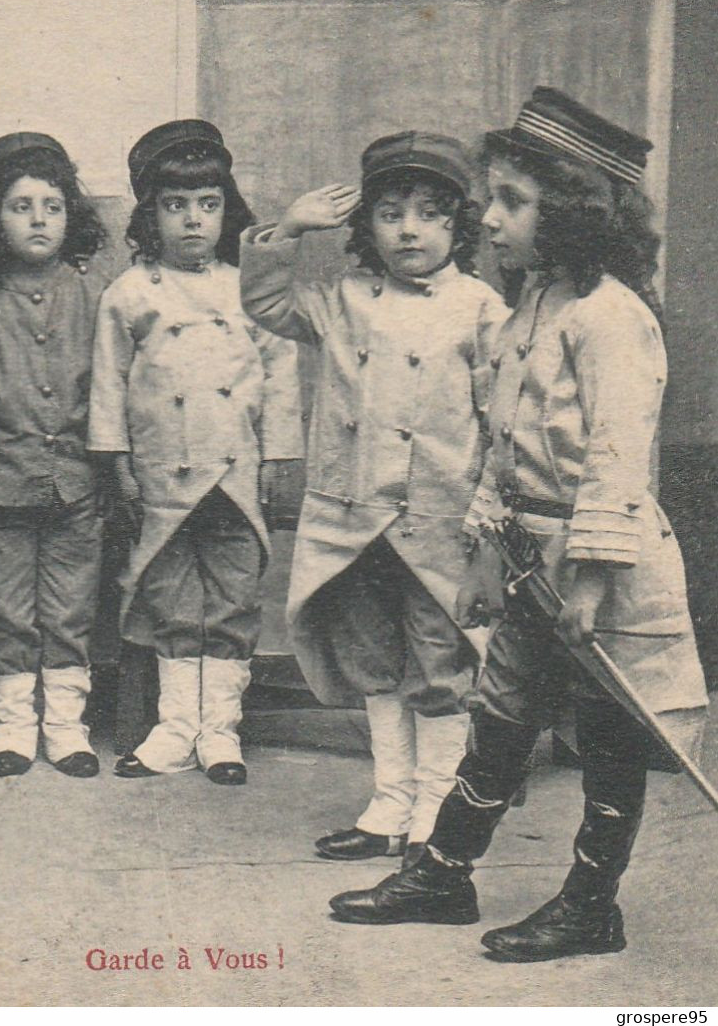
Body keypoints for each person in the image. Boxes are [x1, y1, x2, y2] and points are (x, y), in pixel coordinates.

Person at [329, 87, 709, 963]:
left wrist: (584, 578)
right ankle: (443, 873)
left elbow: (618, 459)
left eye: (511, 202)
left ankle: (588, 904)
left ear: (572, 212)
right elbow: (500, 446)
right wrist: (483, 552)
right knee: (498, 716)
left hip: (602, 568)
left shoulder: (612, 318)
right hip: (527, 558)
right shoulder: (533, 304)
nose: (486, 218)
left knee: (610, 738)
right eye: (489, 199)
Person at [240, 133, 503, 865]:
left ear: (458, 225)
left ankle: (435, 813)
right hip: (354, 521)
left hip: (436, 522)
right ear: (365, 227)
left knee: (439, 668)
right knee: (374, 661)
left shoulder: (480, 308)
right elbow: (264, 301)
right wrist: (287, 229)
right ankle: (388, 802)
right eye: (389, 213)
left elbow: (498, 423)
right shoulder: (342, 299)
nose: (408, 229)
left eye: (427, 214)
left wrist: (484, 514)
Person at [88, 120, 303, 786]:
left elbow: (279, 375)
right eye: (174, 206)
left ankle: (220, 729)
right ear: (149, 215)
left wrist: (277, 458)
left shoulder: (249, 289)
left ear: (225, 211)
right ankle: (176, 725)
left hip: (234, 471)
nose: (191, 221)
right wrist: (115, 457)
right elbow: (108, 381)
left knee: (233, 599)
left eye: (206, 205)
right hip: (164, 473)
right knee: (173, 599)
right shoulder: (129, 293)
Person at [0, 131, 110, 779]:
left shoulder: (95, 297)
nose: (38, 218)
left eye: (51, 204)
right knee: (6, 605)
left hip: (78, 479)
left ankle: (67, 725)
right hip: (1, 479)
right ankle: (14, 725)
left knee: (70, 604)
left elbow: (111, 385)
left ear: (70, 215)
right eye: (20, 206)